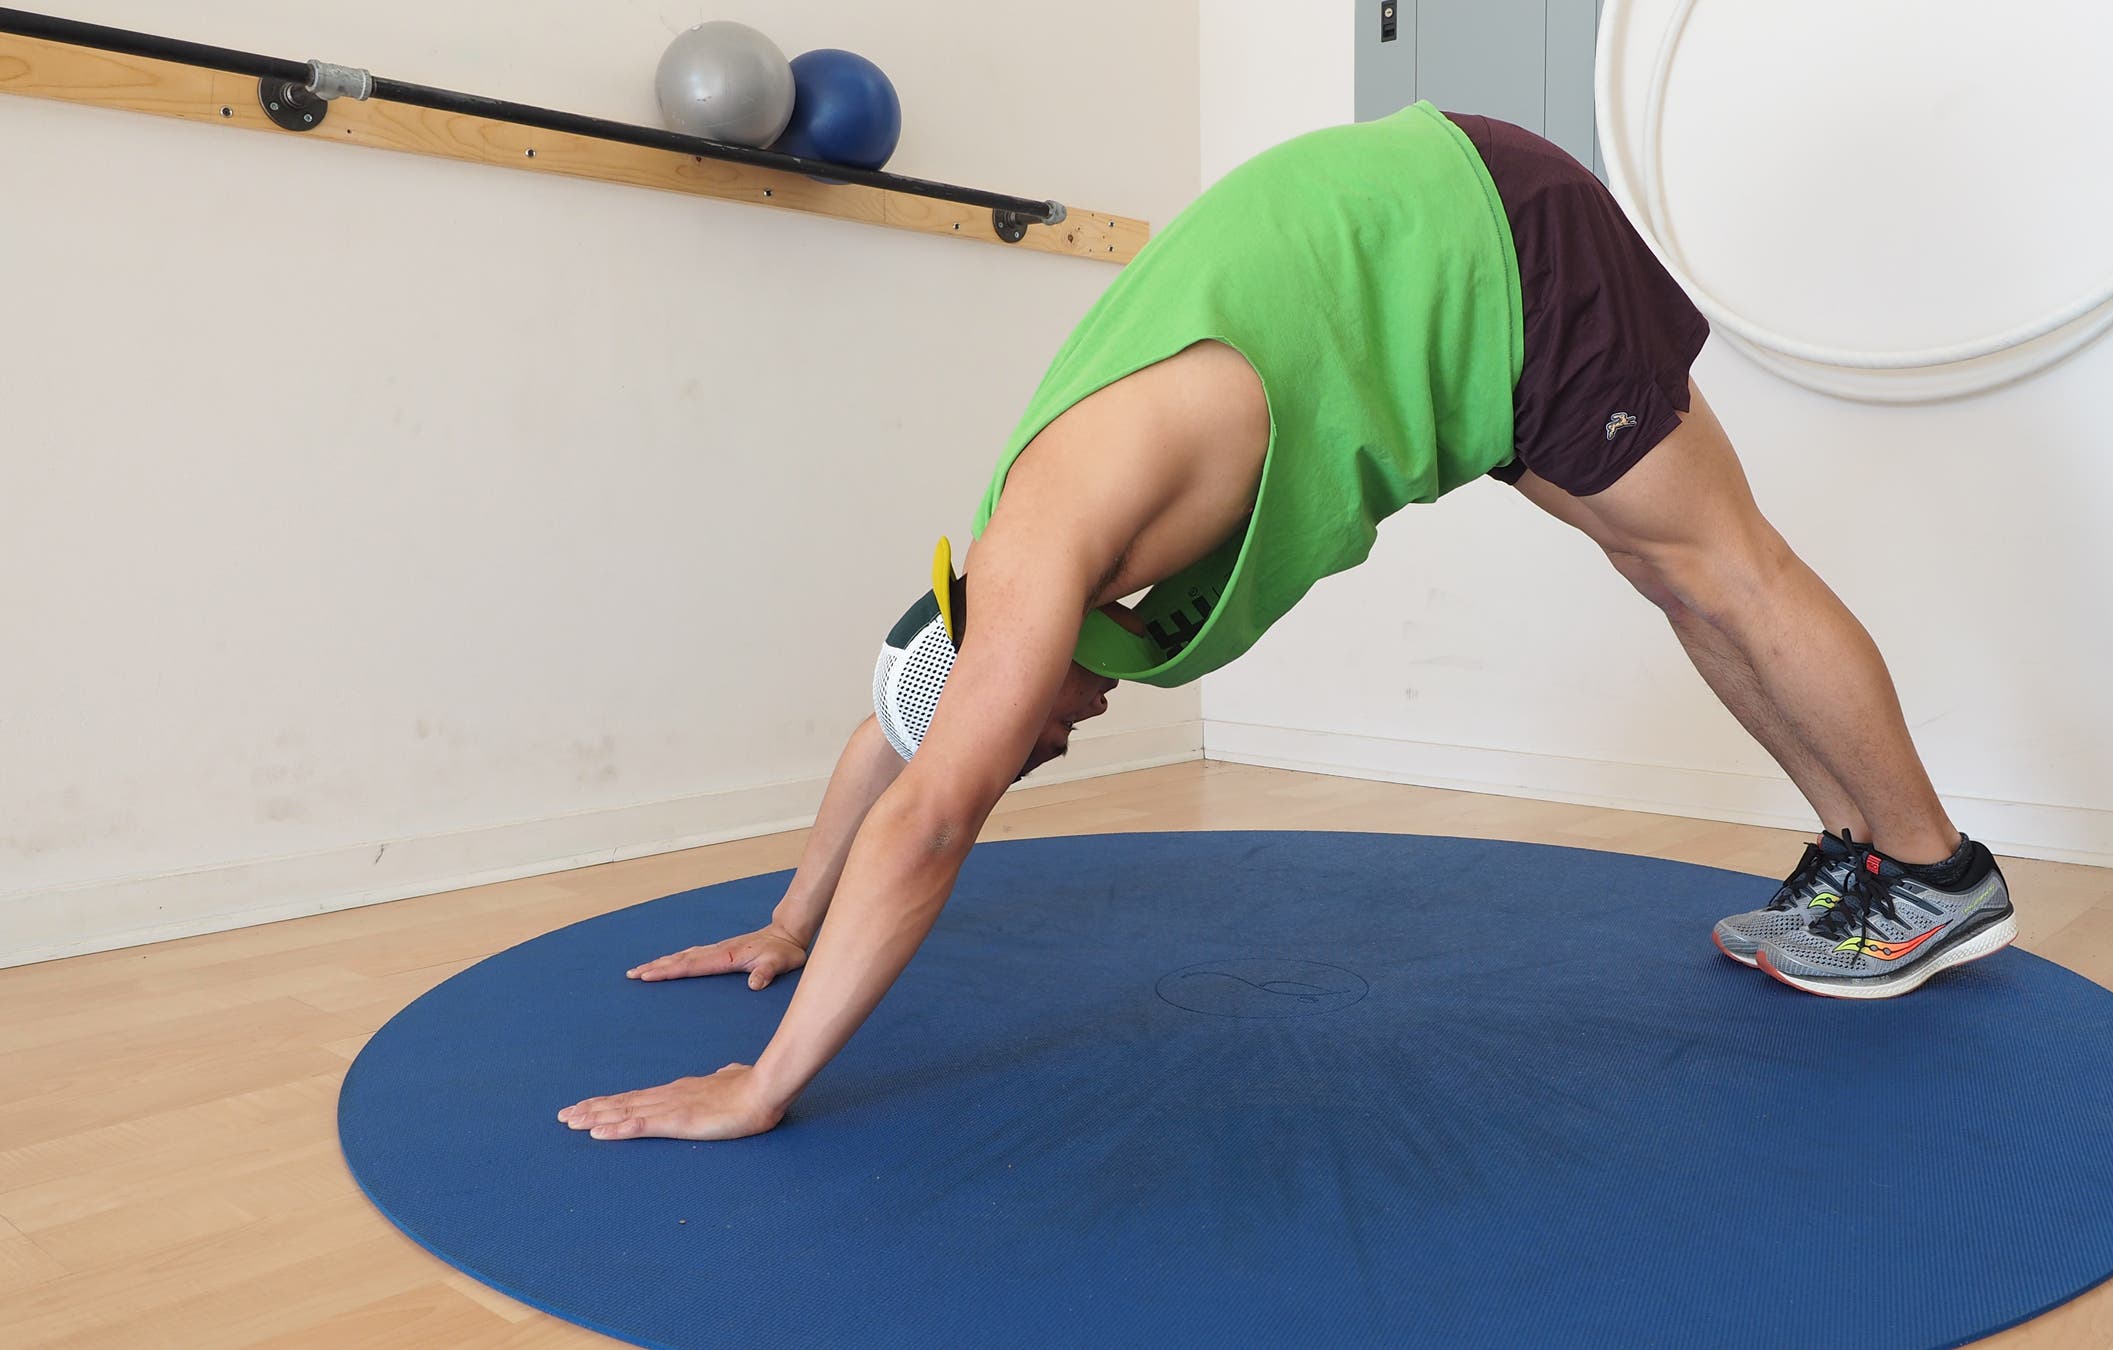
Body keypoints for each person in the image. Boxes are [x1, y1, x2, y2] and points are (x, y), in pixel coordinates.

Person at [558, 103, 2013, 1144]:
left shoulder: (1038, 558)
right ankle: (1861, 859)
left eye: (1032, 730)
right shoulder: (1015, 569)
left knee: (1717, 562)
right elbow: (898, 742)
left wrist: (765, 1082)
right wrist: (794, 916)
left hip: (1482, 242)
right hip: (1438, 273)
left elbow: (937, 807)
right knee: (1669, 568)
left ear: (998, 664)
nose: (1055, 735)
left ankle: (1934, 873)